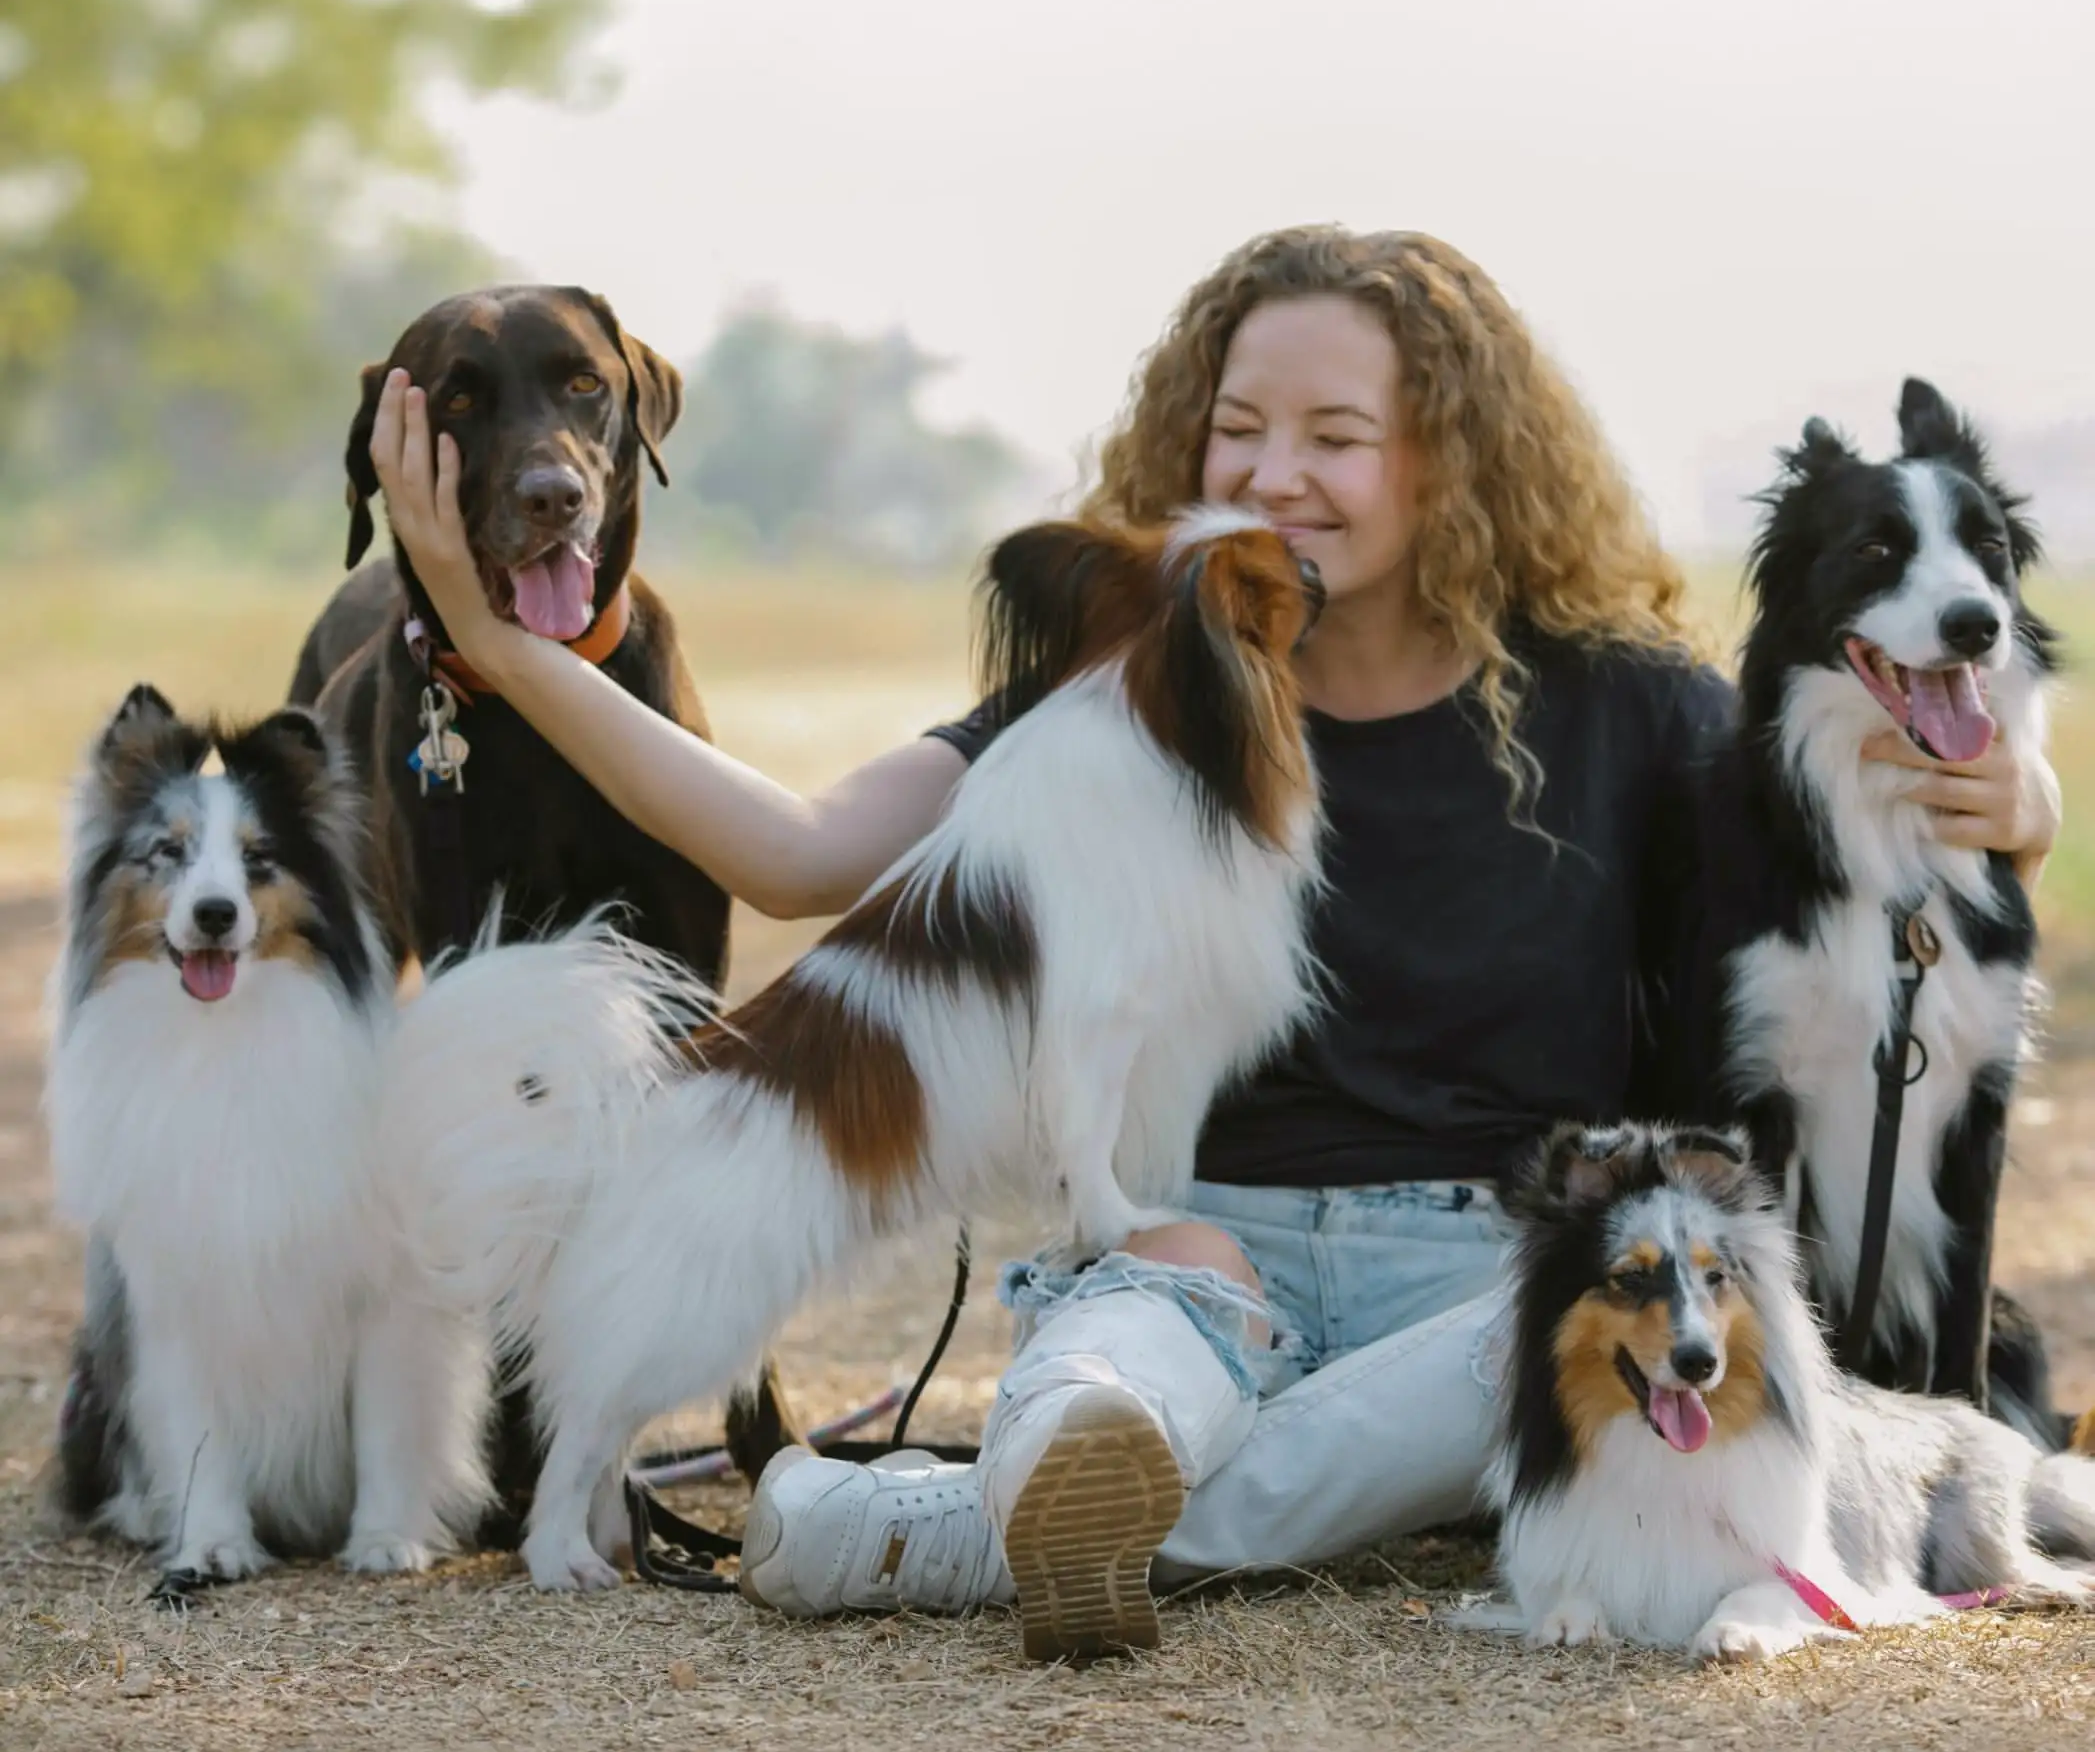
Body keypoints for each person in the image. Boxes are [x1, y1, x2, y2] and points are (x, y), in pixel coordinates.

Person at [368, 228, 2061, 1661]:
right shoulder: (1127, 679)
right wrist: (506, 654)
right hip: (1195, 1253)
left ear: (1447, 458)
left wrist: (2022, 794)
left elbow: (1826, 804)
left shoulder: (1617, 702)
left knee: (1530, 1353)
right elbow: (799, 856)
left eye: (1338, 432)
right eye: (1240, 426)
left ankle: (931, 1534)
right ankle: (1076, 1481)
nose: (1274, 471)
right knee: (1105, 1366)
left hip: (1466, 1273)